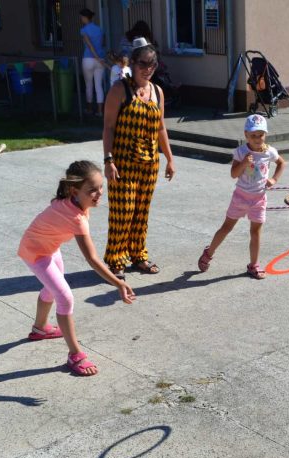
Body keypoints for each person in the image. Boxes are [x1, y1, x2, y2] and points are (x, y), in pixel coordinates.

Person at [18, 161, 136, 376]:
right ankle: (75, 355)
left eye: (101, 187)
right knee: (64, 297)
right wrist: (118, 282)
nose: (99, 193)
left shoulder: (72, 201)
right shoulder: (76, 218)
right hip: (36, 252)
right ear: (74, 191)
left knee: (51, 289)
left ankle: (40, 328)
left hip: (49, 248)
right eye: (92, 190)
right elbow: (92, 259)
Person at [101, 38, 176, 280]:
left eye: (153, 63)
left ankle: (138, 255)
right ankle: (115, 260)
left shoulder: (157, 91)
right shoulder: (119, 90)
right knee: (123, 211)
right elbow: (108, 128)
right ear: (132, 63)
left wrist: (170, 159)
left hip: (149, 162)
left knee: (142, 212)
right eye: (143, 63)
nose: (148, 68)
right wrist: (108, 160)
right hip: (123, 163)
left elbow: (161, 128)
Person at [197, 114, 285, 280]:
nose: (257, 139)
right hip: (240, 197)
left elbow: (282, 163)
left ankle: (254, 265)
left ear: (265, 134)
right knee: (227, 227)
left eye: (261, 135)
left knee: (256, 231)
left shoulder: (269, 152)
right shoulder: (241, 152)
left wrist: (274, 179)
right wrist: (244, 162)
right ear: (246, 135)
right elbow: (234, 174)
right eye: (253, 135)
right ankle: (208, 253)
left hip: (259, 198)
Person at [79, 8, 107, 116]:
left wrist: (95, 56)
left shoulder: (84, 30)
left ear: (86, 18)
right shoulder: (100, 29)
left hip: (89, 59)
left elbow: (89, 45)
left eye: (82, 17)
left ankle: (90, 109)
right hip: (101, 59)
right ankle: (100, 111)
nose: (81, 19)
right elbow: (103, 44)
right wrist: (99, 57)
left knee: (89, 85)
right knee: (99, 85)